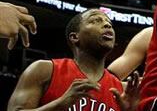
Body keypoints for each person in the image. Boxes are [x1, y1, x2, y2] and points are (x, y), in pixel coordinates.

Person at [7, 9, 140, 111]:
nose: (107, 25)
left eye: (109, 23)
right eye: (95, 20)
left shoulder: (122, 90)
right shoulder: (44, 70)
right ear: (74, 37)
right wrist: (60, 103)